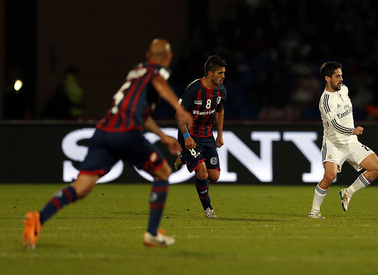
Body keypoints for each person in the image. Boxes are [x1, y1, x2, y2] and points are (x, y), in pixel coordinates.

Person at [23, 38, 193, 250]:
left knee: (81, 188)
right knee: (163, 172)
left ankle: (38, 218)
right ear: (168, 58)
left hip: (103, 132)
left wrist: (161, 135)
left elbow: (140, 114)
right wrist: (180, 110)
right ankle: (151, 234)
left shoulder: (135, 73)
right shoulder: (157, 72)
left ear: (147, 55)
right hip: (126, 134)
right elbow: (159, 82)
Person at [308, 61, 378, 219]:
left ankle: (348, 192)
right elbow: (334, 124)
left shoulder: (345, 89)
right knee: (329, 176)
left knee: (377, 168)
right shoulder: (326, 101)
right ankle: (314, 211)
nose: (341, 79)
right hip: (334, 144)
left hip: (352, 142)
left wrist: (352, 133)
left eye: (341, 75)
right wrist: (352, 130)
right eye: (337, 76)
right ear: (327, 78)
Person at [174, 55, 227, 218]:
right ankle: (208, 209)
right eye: (220, 73)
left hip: (207, 136)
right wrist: (186, 136)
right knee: (202, 173)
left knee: (214, 176)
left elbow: (219, 111)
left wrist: (219, 134)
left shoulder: (221, 90)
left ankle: (183, 158)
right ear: (210, 74)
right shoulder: (194, 89)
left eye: (224, 73)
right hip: (190, 137)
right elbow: (179, 114)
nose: (223, 76)